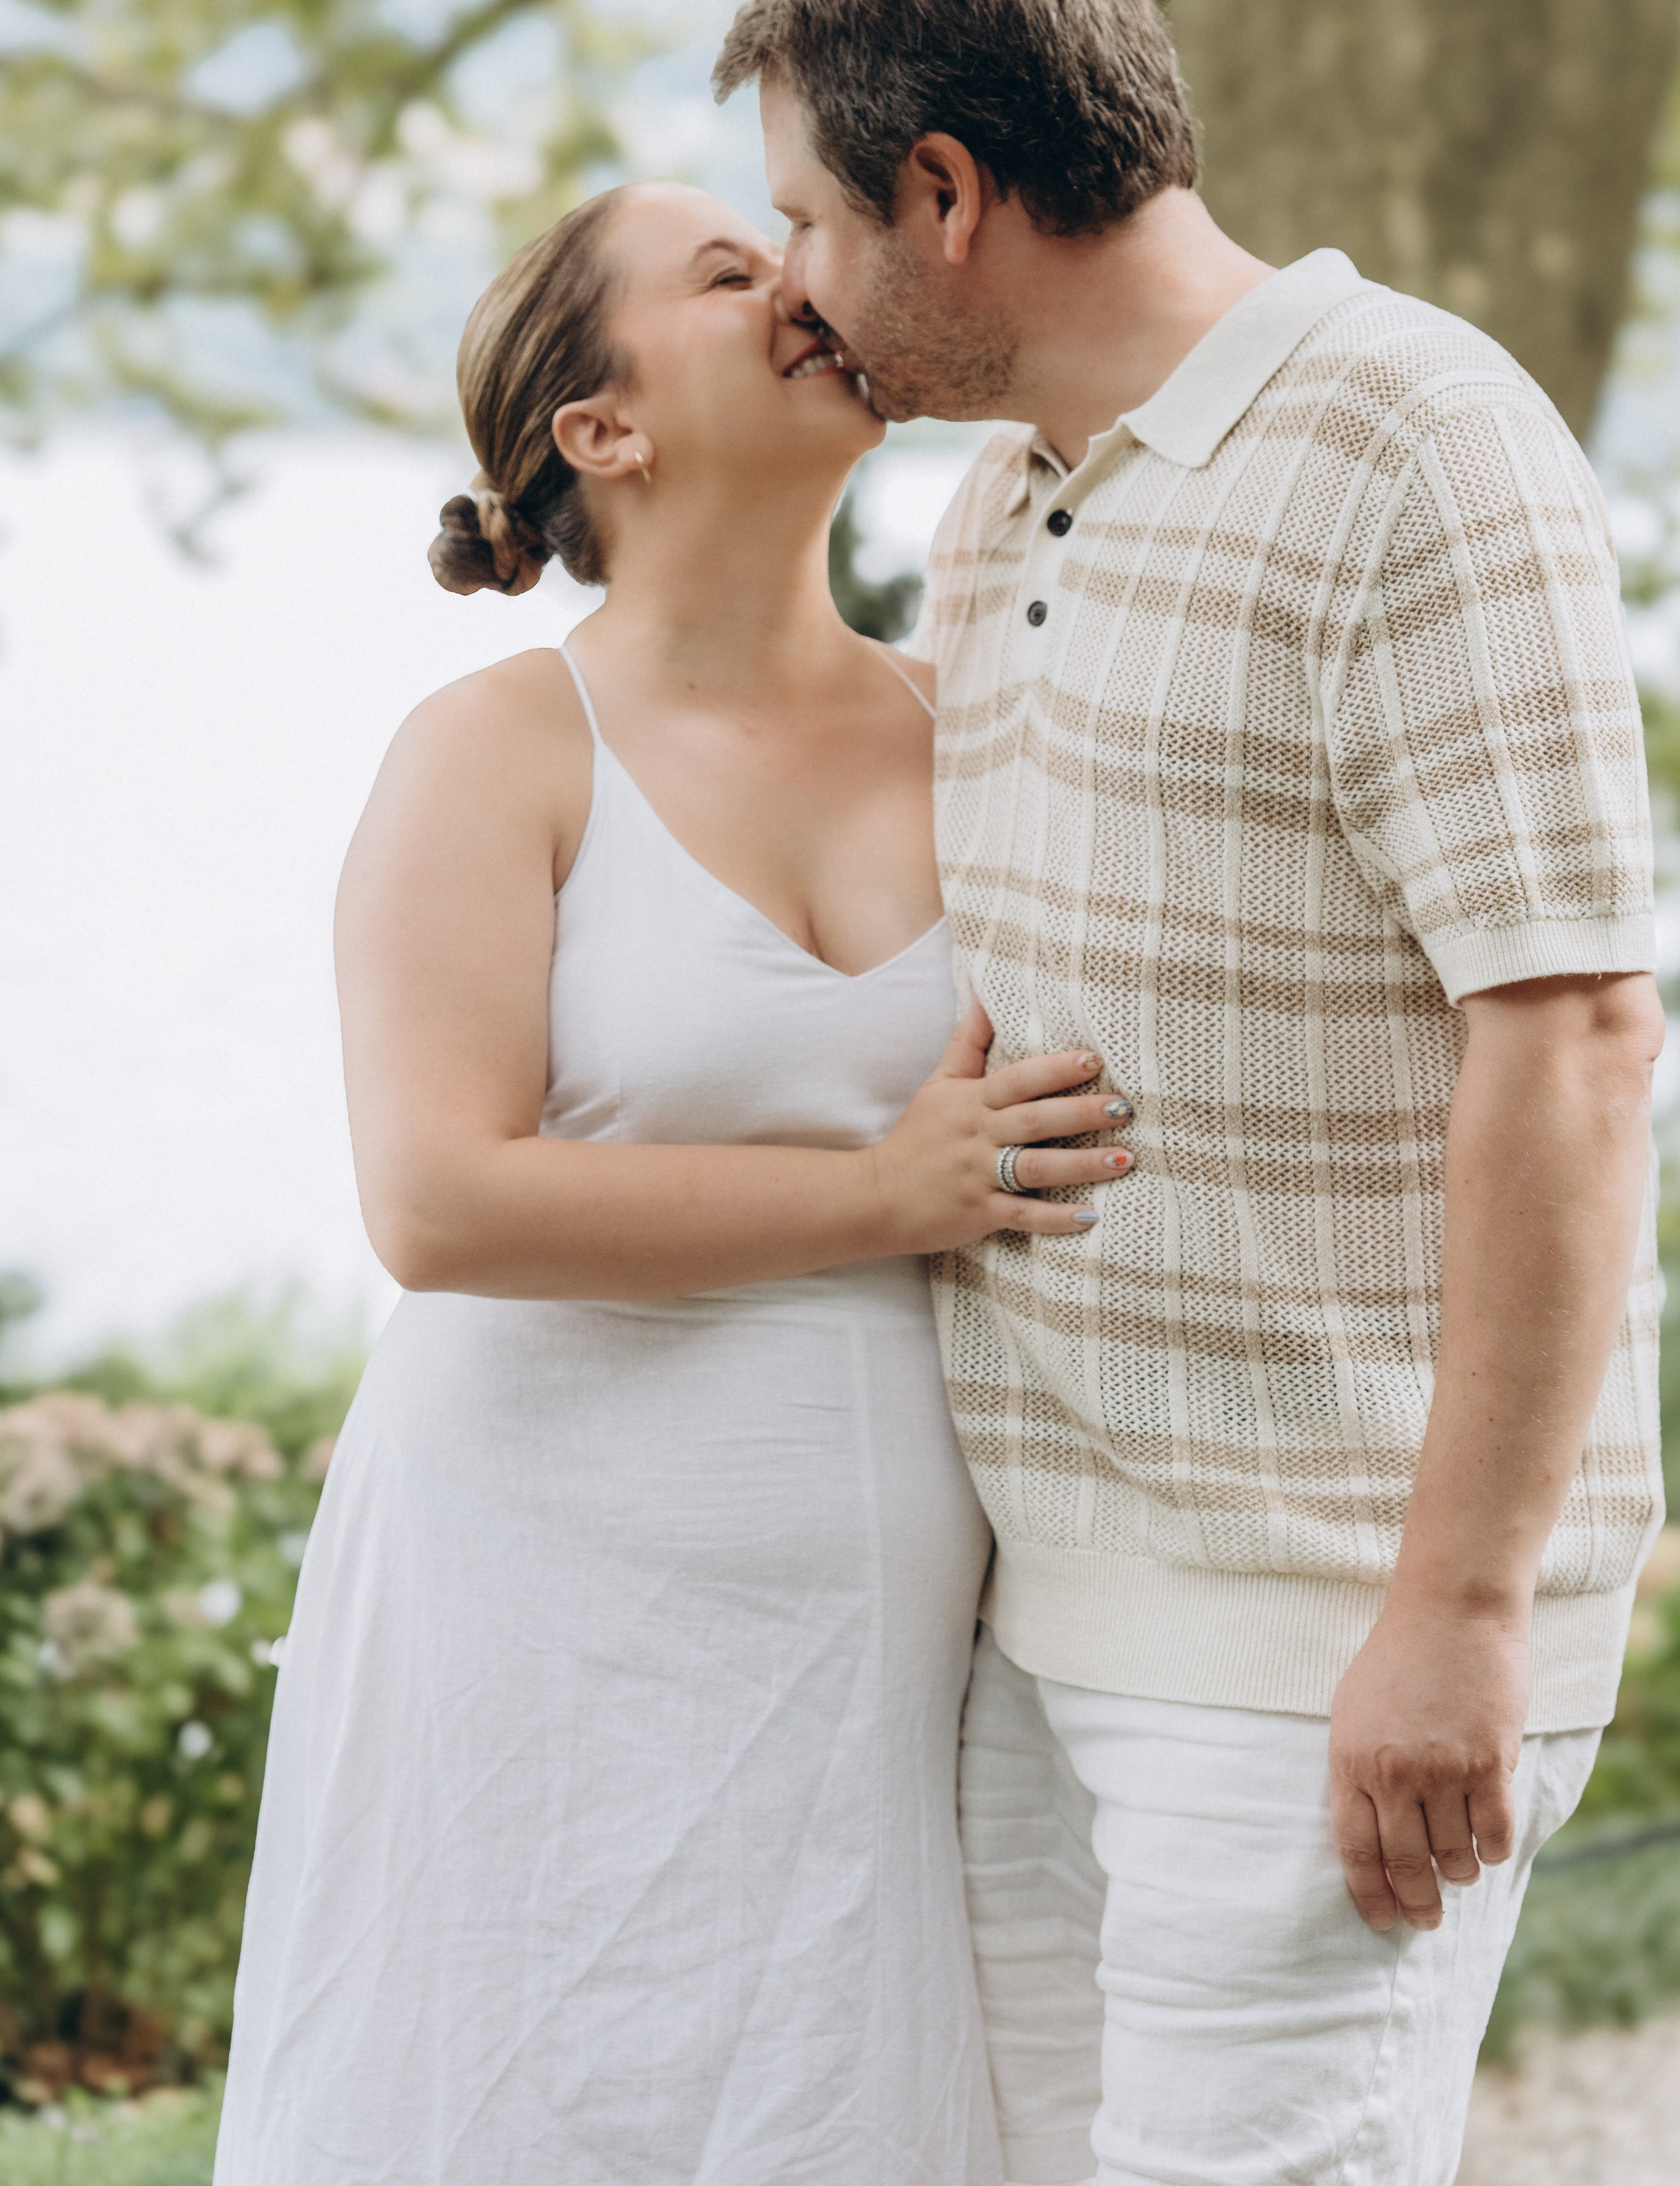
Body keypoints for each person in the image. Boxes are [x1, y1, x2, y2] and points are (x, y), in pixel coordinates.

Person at [716, 0, 1666, 2186]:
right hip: (1046, 1608)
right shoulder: (999, 506)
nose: (800, 291)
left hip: (1320, 1624)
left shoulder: (1412, 444)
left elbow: (1575, 1044)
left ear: (946, 189)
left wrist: (1453, 1613)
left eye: (818, 223)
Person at [211, 180, 1137, 2186]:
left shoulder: (975, 725)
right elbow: (442, 1204)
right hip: (530, 1586)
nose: (804, 281)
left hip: (865, 1630)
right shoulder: (495, 751)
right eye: (730, 275)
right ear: (601, 432)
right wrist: (887, 1197)